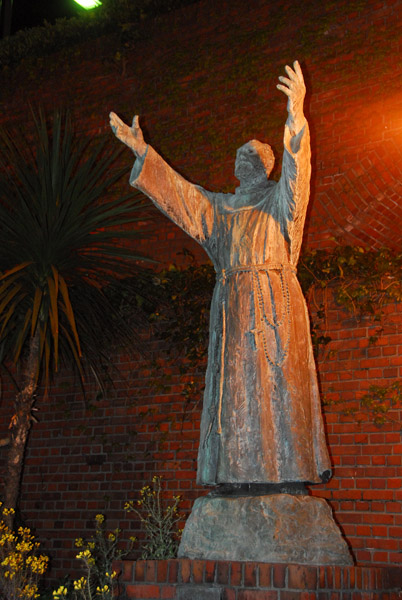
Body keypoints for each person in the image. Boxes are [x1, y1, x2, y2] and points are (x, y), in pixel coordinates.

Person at [110, 61, 332, 490]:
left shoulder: (281, 203)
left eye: (254, 155)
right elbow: (180, 196)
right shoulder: (220, 210)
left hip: (274, 305)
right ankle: (233, 476)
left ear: (268, 165)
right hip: (232, 308)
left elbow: (298, 175)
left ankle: (288, 477)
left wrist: (296, 114)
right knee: (235, 394)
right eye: (240, 156)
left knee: (278, 388)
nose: (245, 160)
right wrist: (142, 153)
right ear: (234, 169)